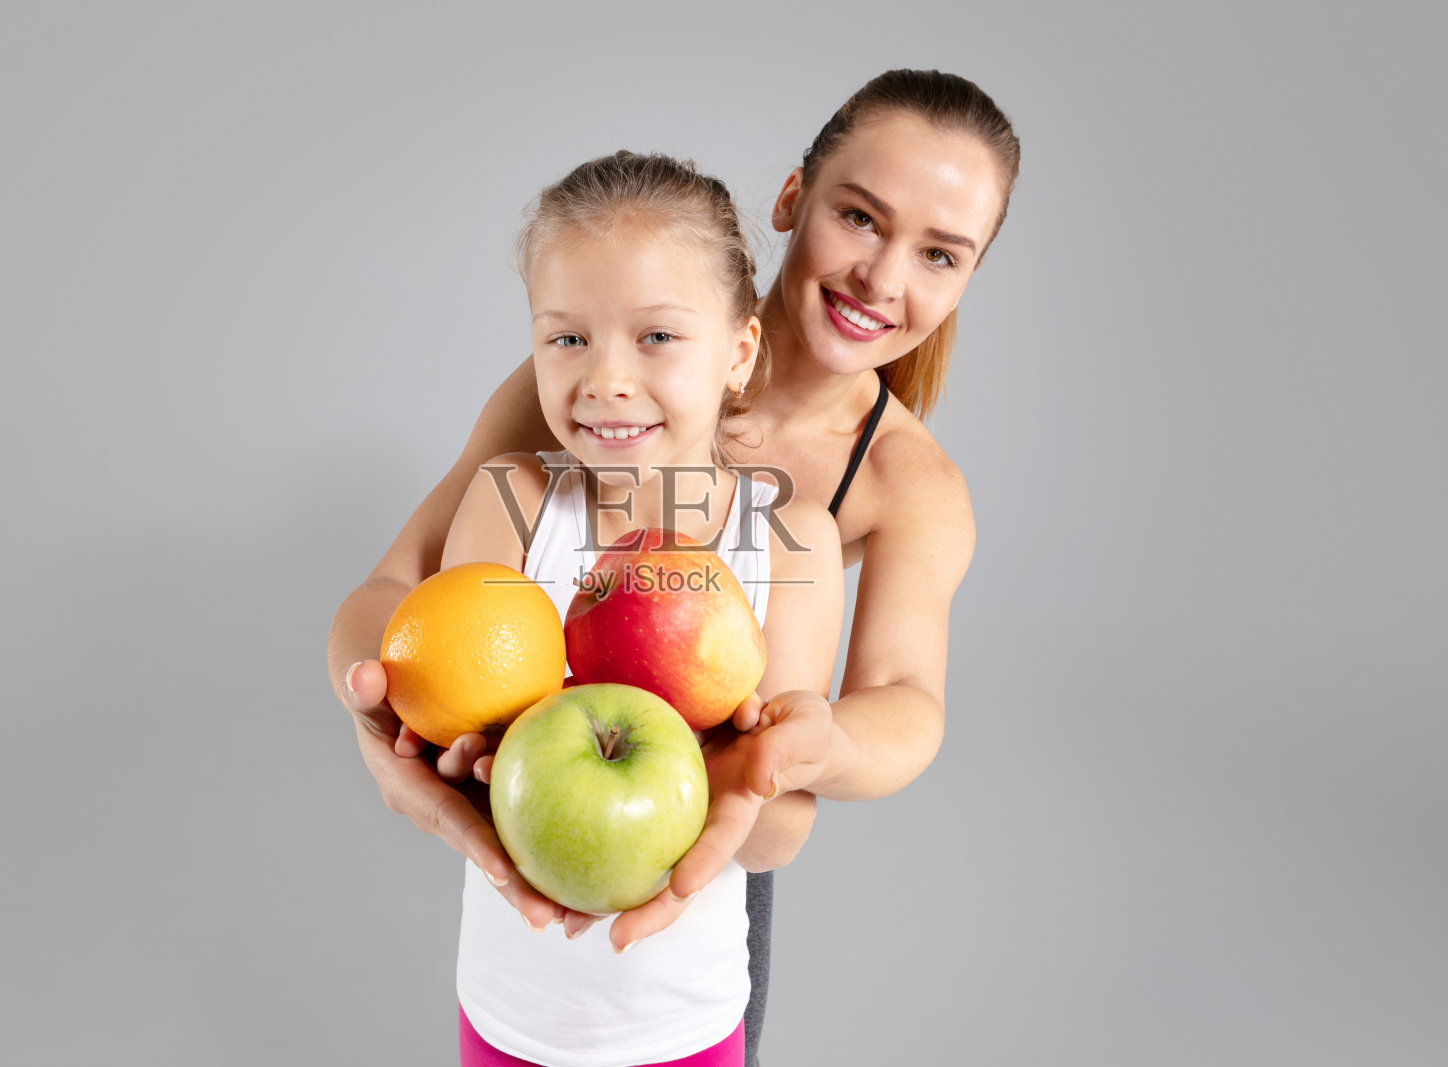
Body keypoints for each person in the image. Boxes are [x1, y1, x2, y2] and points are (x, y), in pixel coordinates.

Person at [329, 70, 1022, 1065]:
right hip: (532, 812)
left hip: (709, 810)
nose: (880, 275)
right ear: (793, 200)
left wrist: (808, 742)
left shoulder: (899, 483)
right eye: (859, 217)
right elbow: (412, 596)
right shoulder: (599, 366)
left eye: (939, 253)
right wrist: (383, 721)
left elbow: (902, 702)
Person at [432, 150, 844, 1065]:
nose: (606, 378)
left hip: (684, 1023)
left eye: (656, 336)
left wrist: (735, 761)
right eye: (567, 337)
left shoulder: (788, 541)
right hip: (510, 1016)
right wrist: (469, 755)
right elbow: (453, 748)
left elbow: (777, 833)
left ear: (739, 353)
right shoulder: (514, 506)